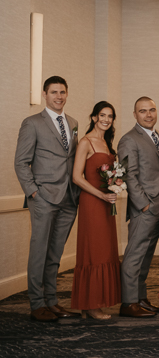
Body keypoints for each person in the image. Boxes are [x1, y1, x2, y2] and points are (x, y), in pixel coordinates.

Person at [14, 76, 81, 322]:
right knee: (39, 251)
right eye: (54, 92)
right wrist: (33, 191)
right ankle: (36, 303)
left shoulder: (73, 122)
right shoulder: (32, 123)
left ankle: (51, 301)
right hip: (43, 196)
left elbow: (71, 159)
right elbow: (21, 162)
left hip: (68, 198)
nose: (59, 97)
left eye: (62, 92)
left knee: (56, 252)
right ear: (45, 94)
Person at [70, 101, 122, 319]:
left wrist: (117, 184)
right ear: (93, 117)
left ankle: (96, 301)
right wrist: (100, 194)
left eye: (110, 116)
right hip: (92, 202)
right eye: (102, 115)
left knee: (105, 250)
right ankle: (90, 305)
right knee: (93, 251)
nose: (106, 120)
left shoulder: (107, 143)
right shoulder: (86, 142)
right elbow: (76, 177)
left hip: (106, 203)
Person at [118, 97, 159, 318]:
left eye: (152, 110)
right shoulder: (129, 139)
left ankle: (140, 297)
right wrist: (144, 204)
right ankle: (128, 303)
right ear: (135, 114)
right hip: (145, 208)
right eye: (143, 111)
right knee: (134, 255)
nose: (148, 115)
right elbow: (130, 175)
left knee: (146, 255)